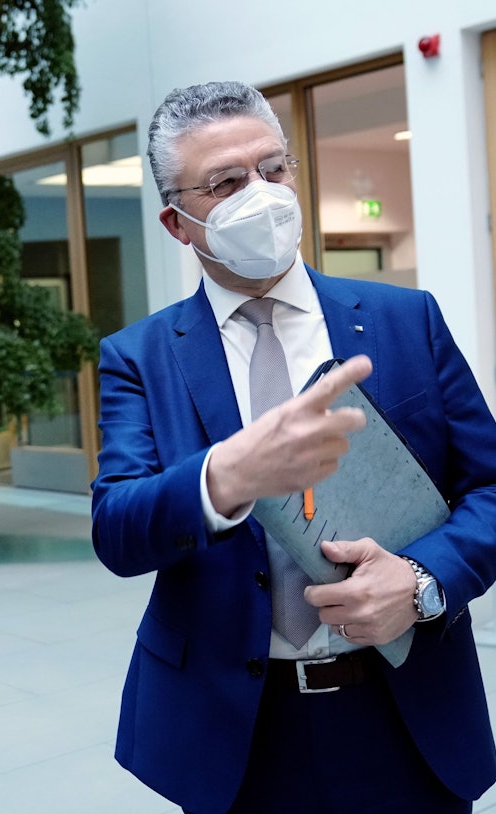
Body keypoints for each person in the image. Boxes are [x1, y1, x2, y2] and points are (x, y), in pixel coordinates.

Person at [91, 80, 496, 814]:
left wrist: (419, 580)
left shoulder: (405, 319)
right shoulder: (137, 356)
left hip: (405, 715)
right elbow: (117, 530)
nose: (263, 195)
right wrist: (226, 475)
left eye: (273, 169)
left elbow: (490, 489)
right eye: (225, 182)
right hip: (237, 734)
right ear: (178, 223)